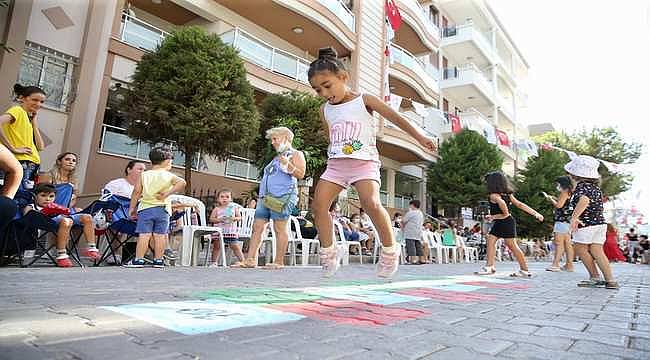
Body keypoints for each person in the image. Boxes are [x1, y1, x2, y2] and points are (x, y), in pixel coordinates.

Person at [308, 47, 436, 278]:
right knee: (318, 207)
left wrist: (421, 137)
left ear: (343, 77)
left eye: (327, 85)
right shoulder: (324, 110)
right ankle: (329, 253)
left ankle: (389, 251)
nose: (324, 93)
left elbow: (396, 118)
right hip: (336, 165)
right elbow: (332, 137)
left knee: (371, 203)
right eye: (318, 90)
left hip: (364, 163)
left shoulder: (363, 100)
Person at [232, 127, 306, 269]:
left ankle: (279, 261)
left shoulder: (296, 154)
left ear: (285, 137)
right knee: (258, 227)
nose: (272, 142)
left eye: (275, 139)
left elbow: (301, 174)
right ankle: (250, 260)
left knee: (279, 228)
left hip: (282, 197)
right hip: (265, 198)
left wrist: (287, 164)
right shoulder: (275, 158)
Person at [124, 147, 186, 268]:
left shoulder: (144, 175)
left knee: (144, 235)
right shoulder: (169, 176)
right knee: (160, 235)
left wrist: (132, 208)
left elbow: (136, 192)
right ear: (167, 161)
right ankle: (158, 260)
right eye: (171, 162)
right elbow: (182, 182)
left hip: (146, 209)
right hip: (163, 210)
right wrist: (167, 193)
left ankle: (138, 260)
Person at [477, 171, 544, 277]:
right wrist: (536, 213)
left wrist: (494, 216)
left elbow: (503, 208)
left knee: (511, 245)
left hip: (505, 221)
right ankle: (490, 266)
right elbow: (520, 205)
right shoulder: (507, 194)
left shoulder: (494, 195)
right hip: (504, 222)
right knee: (491, 240)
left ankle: (524, 270)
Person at [565, 155, 618, 289]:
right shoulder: (595, 188)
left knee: (580, 248)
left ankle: (594, 276)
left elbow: (584, 201)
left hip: (586, 223)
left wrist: (574, 218)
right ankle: (610, 280)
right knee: (597, 251)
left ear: (575, 174)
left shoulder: (581, 187)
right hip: (600, 224)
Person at [24, 183, 101, 266]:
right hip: (49, 222)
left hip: (63, 218)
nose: (47, 199)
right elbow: (27, 217)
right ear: (34, 196)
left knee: (87, 217)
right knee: (66, 221)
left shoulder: (55, 205)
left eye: (51, 196)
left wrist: (62, 211)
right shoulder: (32, 206)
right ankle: (62, 255)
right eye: (43, 195)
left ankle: (91, 248)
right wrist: (41, 212)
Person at [0, 84, 46, 191]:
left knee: (23, 200)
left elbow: (40, 147)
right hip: (20, 162)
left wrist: (34, 124)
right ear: (22, 98)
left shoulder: (28, 118)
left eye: (42, 102)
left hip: (31, 165)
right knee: (16, 199)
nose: (38, 104)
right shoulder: (17, 110)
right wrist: (12, 148)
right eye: (34, 99)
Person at [543, 175, 575, 272]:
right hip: (568, 221)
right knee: (567, 244)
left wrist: (550, 199)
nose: (557, 186)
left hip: (561, 221)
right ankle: (569, 265)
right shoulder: (570, 193)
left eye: (558, 184)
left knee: (559, 243)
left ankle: (555, 264)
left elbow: (559, 205)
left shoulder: (564, 192)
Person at [209, 188, 243, 266]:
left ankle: (243, 261)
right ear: (218, 199)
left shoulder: (233, 208)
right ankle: (214, 262)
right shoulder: (217, 209)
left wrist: (233, 218)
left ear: (231, 199)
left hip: (230, 231)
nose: (224, 198)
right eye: (222, 197)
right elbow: (211, 219)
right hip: (219, 232)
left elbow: (239, 217)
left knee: (235, 246)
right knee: (217, 247)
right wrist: (220, 219)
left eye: (227, 197)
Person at [402, 200, 425, 264]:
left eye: (410, 205)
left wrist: (403, 228)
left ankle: (413, 260)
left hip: (410, 232)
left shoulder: (411, 212)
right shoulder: (420, 213)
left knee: (411, 245)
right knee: (418, 245)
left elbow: (403, 221)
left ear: (412, 205)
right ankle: (421, 259)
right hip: (418, 232)